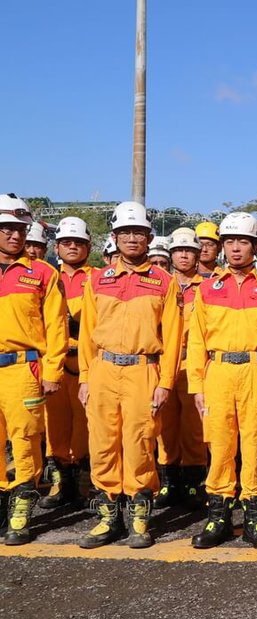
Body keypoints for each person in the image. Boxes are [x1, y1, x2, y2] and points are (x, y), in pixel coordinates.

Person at [78, 201, 182, 550]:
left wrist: (166, 382)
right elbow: (86, 334)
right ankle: (108, 517)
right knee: (102, 443)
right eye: (126, 232)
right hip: (103, 370)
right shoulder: (97, 280)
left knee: (139, 442)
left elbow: (173, 336)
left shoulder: (164, 282)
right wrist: (84, 378)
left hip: (143, 371)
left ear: (150, 237)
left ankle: (139, 515)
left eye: (139, 232)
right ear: (115, 237)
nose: (133, 238)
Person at [187, 212, 257, 551]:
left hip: (256, 374)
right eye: (229, 241)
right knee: (219, 446)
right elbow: (198, 341)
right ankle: (217, 517)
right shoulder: (206, 289)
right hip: (218, 374)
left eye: (242, 241)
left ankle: (254, 519)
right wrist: (197, 387)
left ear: (255, 247)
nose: (234, 248)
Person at [0, 194, 68, 544]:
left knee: (25, 441)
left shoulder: (42, 272)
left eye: (20, 230)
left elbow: (56, 326)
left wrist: (53, 371)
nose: (15, 236)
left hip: (22, 369)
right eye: (7, 229)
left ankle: (21, 508)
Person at [40, 217, 93, 510]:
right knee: (56, 425)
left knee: (85, 425)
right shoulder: (46, 276)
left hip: (86, 363)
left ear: (88, 246)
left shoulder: (98, 277)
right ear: (57, 247)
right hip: (54, 363)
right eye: (67, 243)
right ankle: (62, 482)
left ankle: (83, 481)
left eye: (79, 243)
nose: (73, 247)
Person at [153, 227, 207, 509]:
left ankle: (194, 482)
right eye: (179, 250)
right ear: (171, 254)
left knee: (194, 425)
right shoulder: (160, 282)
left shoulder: (208, 285)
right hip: (163, 362)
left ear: (198, 255)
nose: (184, 255)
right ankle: (169, 480)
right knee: (165, 424)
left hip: (193, 362)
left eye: (189, 250)